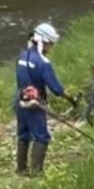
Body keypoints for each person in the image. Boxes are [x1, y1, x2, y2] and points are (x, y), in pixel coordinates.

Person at [14, 22, 74, 176]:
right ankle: (36, 171)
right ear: (45, 42)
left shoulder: (21, 57)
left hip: (20, 99)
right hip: (35, 104)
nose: (51, 47)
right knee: (41, 136)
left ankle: (21, 169)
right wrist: (71, 98)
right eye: (51, 44)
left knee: (23, 134)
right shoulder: (43, 63)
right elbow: (56, 89)